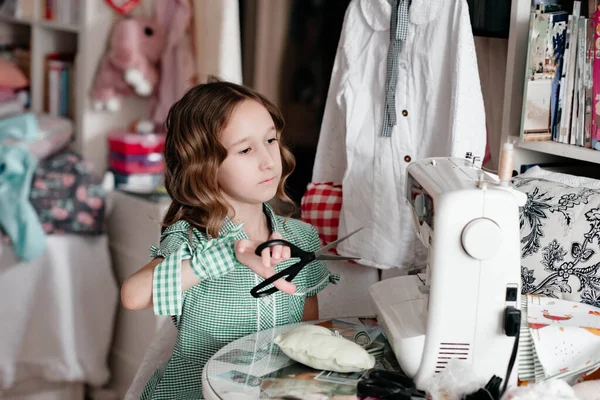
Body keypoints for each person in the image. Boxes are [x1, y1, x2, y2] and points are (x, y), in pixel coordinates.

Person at [120, 77, 338, 399]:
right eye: (246, 149)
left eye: (270, 140)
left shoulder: (301, 238)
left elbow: (306, 333)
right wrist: (228, 254)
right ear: (204, 165)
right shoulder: (190, 241)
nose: (268, 160)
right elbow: (133, 295)